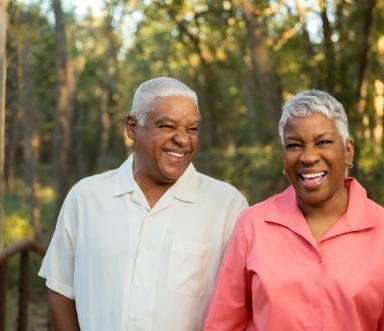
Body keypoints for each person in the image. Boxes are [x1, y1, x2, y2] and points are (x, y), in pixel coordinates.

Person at [39, 77, 248, 331]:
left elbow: (242, 305)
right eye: (168, 126)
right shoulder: (85, 197)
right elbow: (60, 287)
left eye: (192, 129)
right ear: (132, 127)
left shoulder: (227, 206)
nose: (183, 140)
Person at [204, 89, 384, 331]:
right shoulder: (252, 225)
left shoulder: (380, 229)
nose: (308, 157)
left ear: (348, 150)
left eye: (323, 142)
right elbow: (222, 324)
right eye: (294, 145)